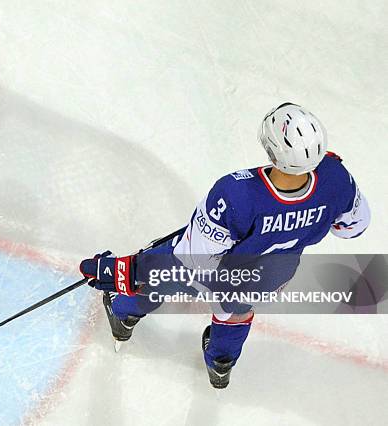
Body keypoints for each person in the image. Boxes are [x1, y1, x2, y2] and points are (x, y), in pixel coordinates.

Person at [80, 103, 371, 388]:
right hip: (272, 276)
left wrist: (128, 270)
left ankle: (124, 314)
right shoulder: (337, 178)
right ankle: (220, 365)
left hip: (219, 272)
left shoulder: (236, 192)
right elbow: (354, 227)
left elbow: (190, 260)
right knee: (235, 309)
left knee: (162, 273)